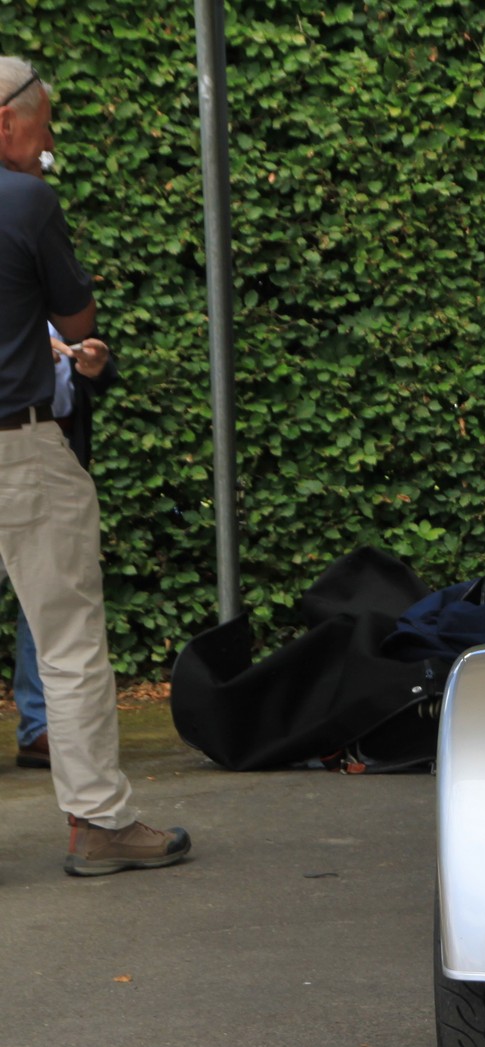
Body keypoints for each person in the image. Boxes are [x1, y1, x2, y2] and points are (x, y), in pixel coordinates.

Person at [0, 56, 189, 875]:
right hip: (19, 447)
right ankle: (99, 826)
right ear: (7, 119)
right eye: (43, 121)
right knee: (68, 640)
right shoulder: (26, 201)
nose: (49, 139)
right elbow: (74, 312)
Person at [13, 325, 115, 769]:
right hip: (10, 448)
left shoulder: (68, 309)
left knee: (49, 595)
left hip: (60, 449)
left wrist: (97, 364)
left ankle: (41, 727)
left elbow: (103, 375)